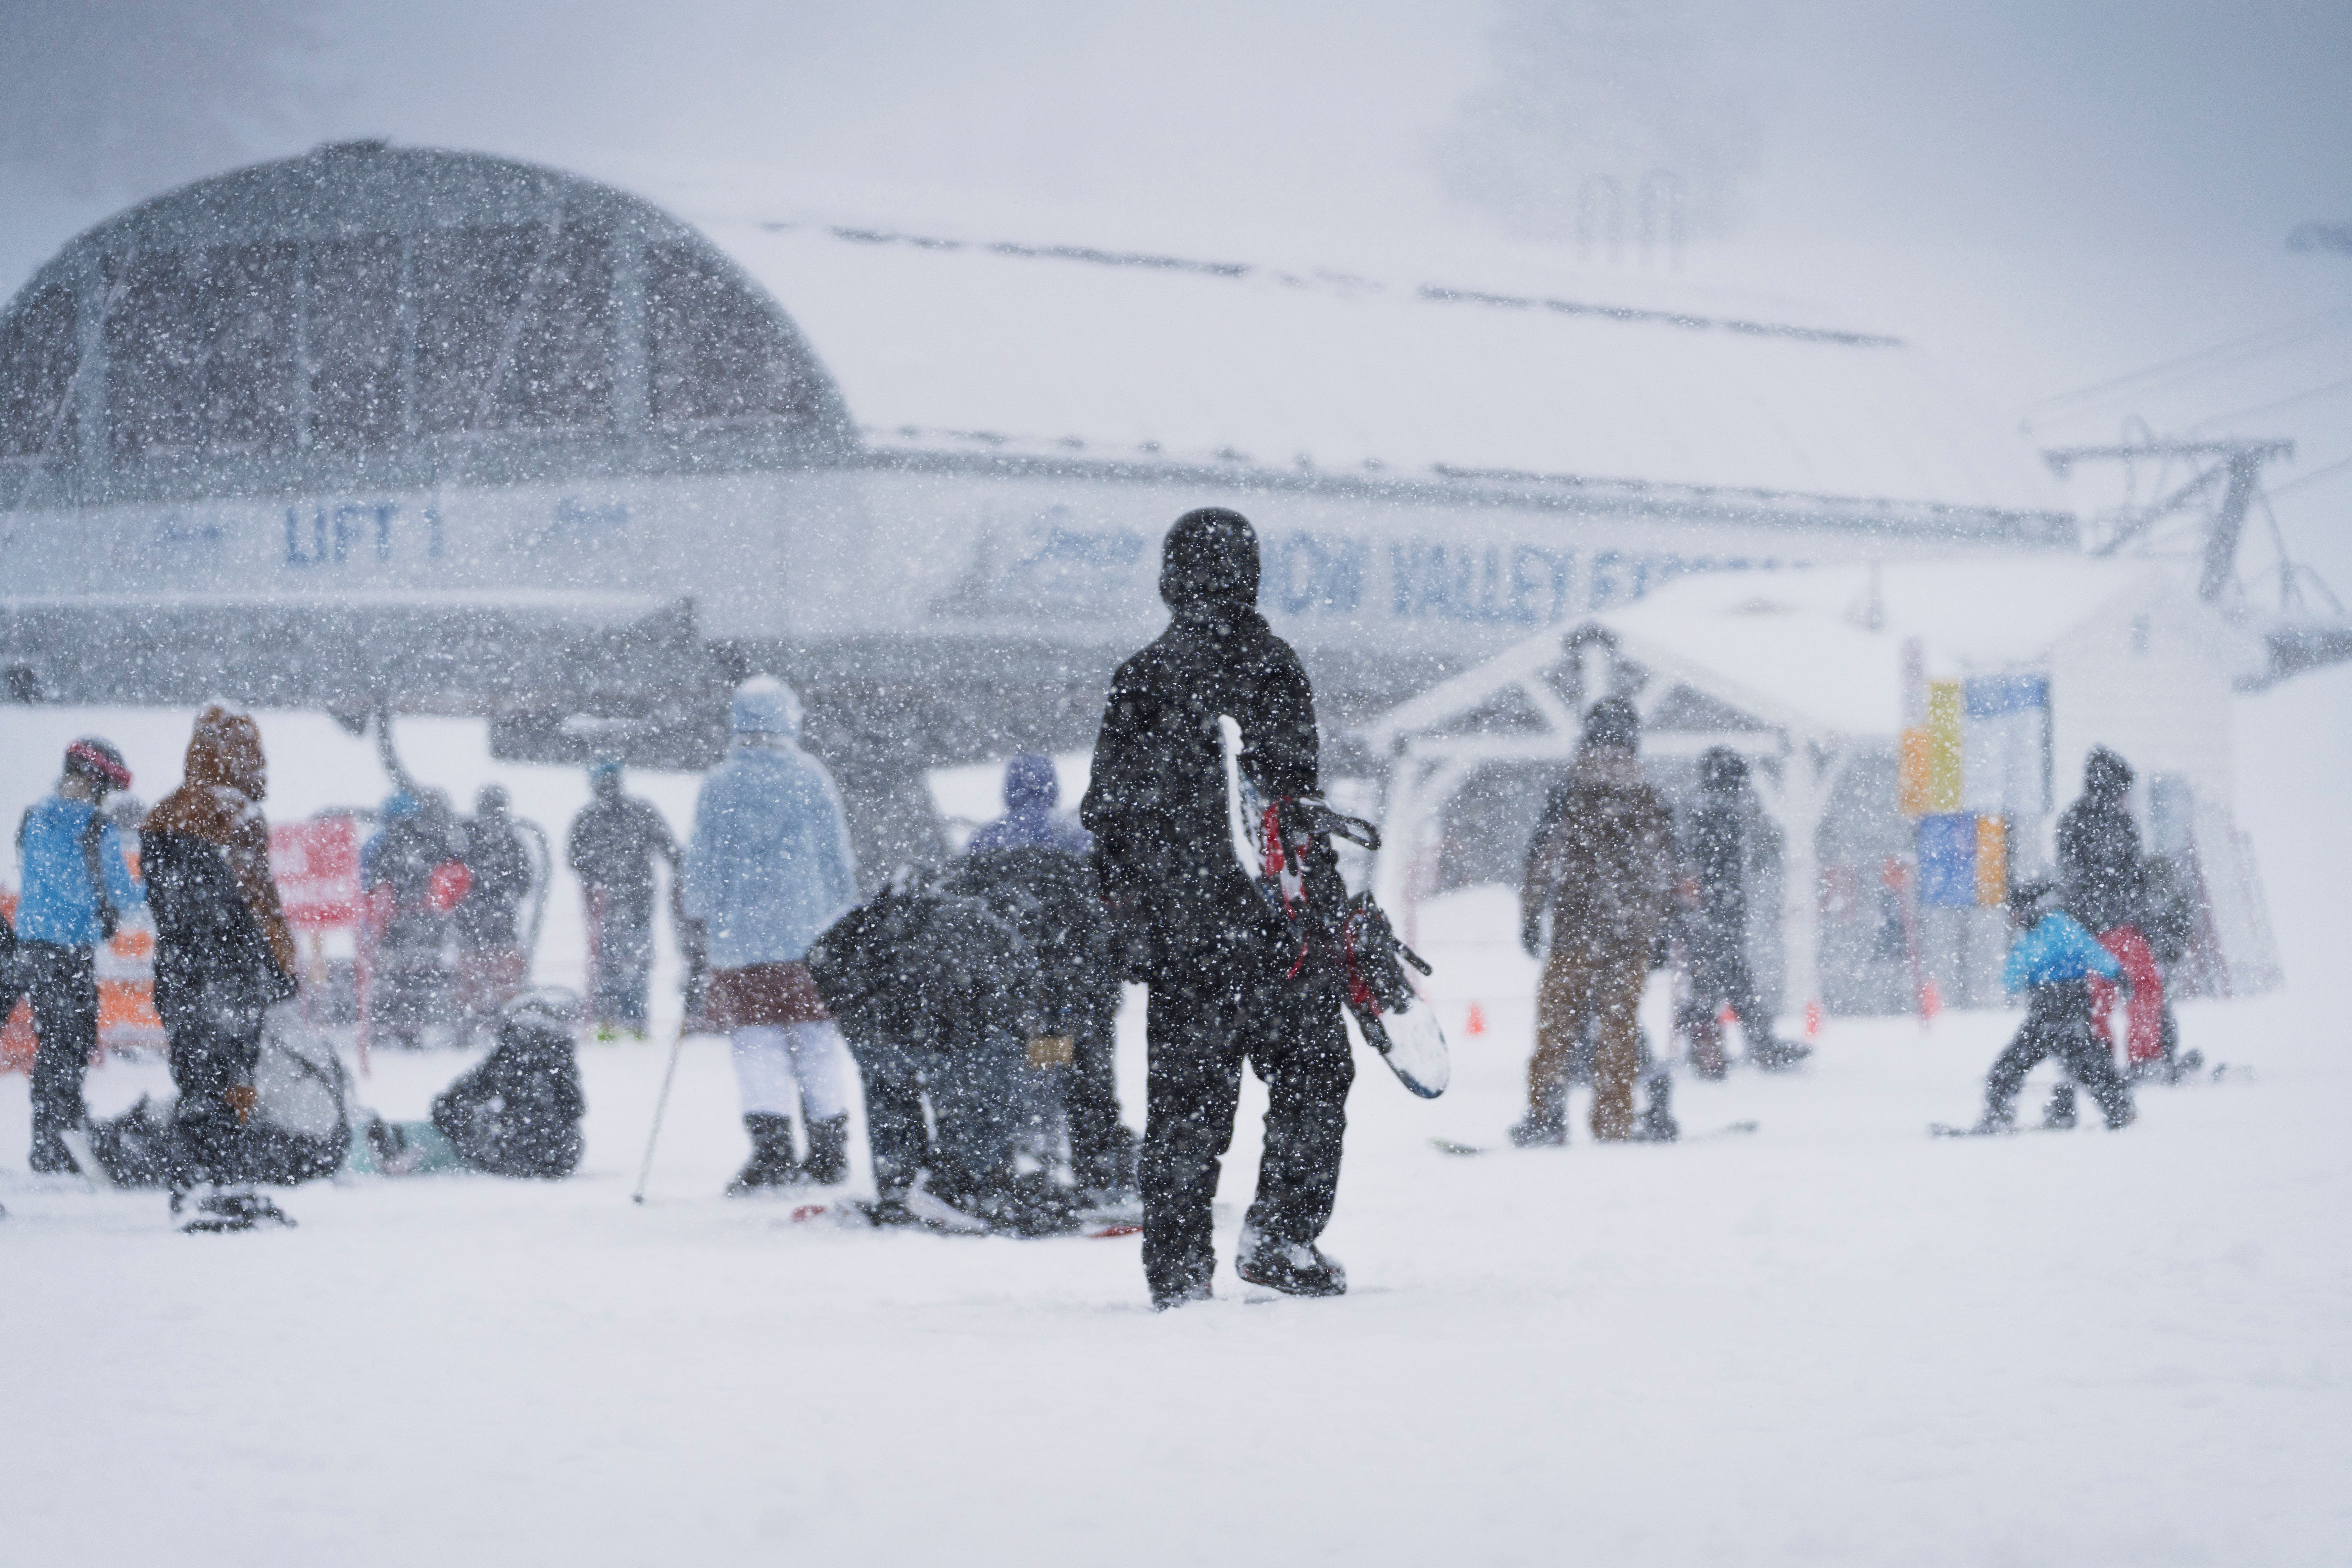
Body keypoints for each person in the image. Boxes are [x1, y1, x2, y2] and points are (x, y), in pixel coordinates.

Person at [1079, 506, 1353, 1309]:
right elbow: (1296, 805)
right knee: (1313, 1073)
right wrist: (1325, 910)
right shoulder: (1274, 667)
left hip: (1183, 938)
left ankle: (1177, 1270)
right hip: (1275, 931)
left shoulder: (1141, 675)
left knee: (1184, 1108)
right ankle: (1283, 1232)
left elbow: (1106, 816)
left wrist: (1132, 920)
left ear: (1171, 576)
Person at [681, 678, 861, 1193]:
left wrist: (700, 910)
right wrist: (844, 914)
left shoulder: (719, 783)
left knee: (755, 1043)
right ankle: (829, 1152)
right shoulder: (811, 778)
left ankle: (772, 1150)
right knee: (817, 1042)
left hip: (741, 942)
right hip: (810, 940)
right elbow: (836, 857)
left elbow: (702, 858)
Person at [948, 752, 1137, 1203]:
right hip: (1082, 982)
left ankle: (1027, 1156)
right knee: (1089, 1074)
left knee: (1035, 1062)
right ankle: (1099, 1168)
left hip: (1016, 985)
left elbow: (965, 919)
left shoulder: (982, 843)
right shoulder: (1078, 839)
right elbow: (1110, 910)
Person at [141, 705, 302, 1231]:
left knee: (195, 1080)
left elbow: (170, 907)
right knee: (234, 1082)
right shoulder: (238, 818)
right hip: (232, 973)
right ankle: (227, 1184)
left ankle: (193, 1186)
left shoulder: (162, 817)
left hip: (181, 973)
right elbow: (259, 903)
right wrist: (281, 965)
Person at [1515, 697, 1678, 1146]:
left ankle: (1546, 1114)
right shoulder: (1649, 798)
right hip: (1630, 935)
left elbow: (1541, 861)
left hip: (1575, 929)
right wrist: (1663, 928)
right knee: (1618, 1029)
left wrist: (1530, 917)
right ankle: (1613, 1121)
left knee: (1557, 1027)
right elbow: (1666, 869)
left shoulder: (1568, 793)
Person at [13, 737, 144, 1174]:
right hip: (70, 952)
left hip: (27, 948)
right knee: (68, 1045)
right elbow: (124, 894)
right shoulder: (96, 828)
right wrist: (160, 886)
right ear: (97, 784)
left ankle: (49, 1136)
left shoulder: (32, 818)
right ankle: (58, 1142)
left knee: (52, 1044)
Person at [1674, 748, 1807, 1075]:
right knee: (1727, 980)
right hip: (1720, 909)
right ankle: (1729, 1050)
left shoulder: (1696, 806)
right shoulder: (1723, 809)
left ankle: (1712, 1047)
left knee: (1716, 980)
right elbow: (1738, 859)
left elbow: (1690, 859)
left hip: (1706, 910)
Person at [1962, 885, 2136, 1133]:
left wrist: (2024, 975)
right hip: (2074, 1012)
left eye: (2016, 913)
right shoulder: (2067, 928)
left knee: (2008, 1067)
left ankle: (1998, 1115)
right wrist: (2118, 975)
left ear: (2028, 910)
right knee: (2090, 1066)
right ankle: (2119, 1109)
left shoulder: (2034, 939)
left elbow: (2011, 979)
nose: (2015, 919)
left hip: (2045, 1016)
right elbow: (2095, 954)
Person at [2056, 747, 2167, 1078]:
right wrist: (2138, 918)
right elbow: (2136, 877)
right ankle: (2144, 1057)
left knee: (2097, 998)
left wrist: (2081, 917)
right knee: (2145, 987)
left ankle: (2098, 1058)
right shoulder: (2123, 823)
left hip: (2086, 931)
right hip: (2123, 927)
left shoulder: (2071, 819)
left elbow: (2069, 875)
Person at [568, 760, 678, 1038]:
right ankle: (626, 1024)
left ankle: (619, 1024)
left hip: (619, 903)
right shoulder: (635, 812)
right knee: (626, 964)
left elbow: (575, 859)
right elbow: (671, 849)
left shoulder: (594, 817)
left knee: (615, 964)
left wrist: (598, 873)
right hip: (623, 902)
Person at [364, 789, 466, 1049]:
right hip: (422, 919)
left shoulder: (387, 843)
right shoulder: (434, 841)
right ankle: (411, 1027)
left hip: (399, 920)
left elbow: (374, 879)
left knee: (394, 976)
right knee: (418, 975)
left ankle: (391, 1025)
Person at [455, 785, 535, 1041]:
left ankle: (489, 1021)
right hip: (484, 922)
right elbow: (524, 880)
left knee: (495, 979)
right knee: (485, 978)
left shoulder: (499, 841)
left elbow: (524, 880)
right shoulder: (480, 839)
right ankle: (483, 1022)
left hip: (490, 923)